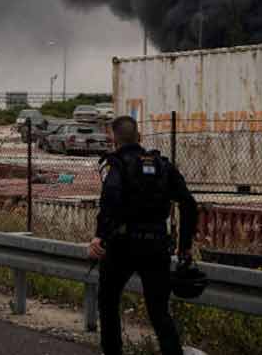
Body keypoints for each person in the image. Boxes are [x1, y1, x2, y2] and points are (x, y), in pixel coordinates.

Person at [89, 114, 198, 355]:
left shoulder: (116, 165)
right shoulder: (162, 165)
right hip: (156, 246)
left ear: (113, 139)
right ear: (139, 137)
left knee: (108, 303)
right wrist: (185, 246)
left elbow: (110, 202)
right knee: (159, 312)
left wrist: (99, 236)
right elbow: (189, 204)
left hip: (122, 246)